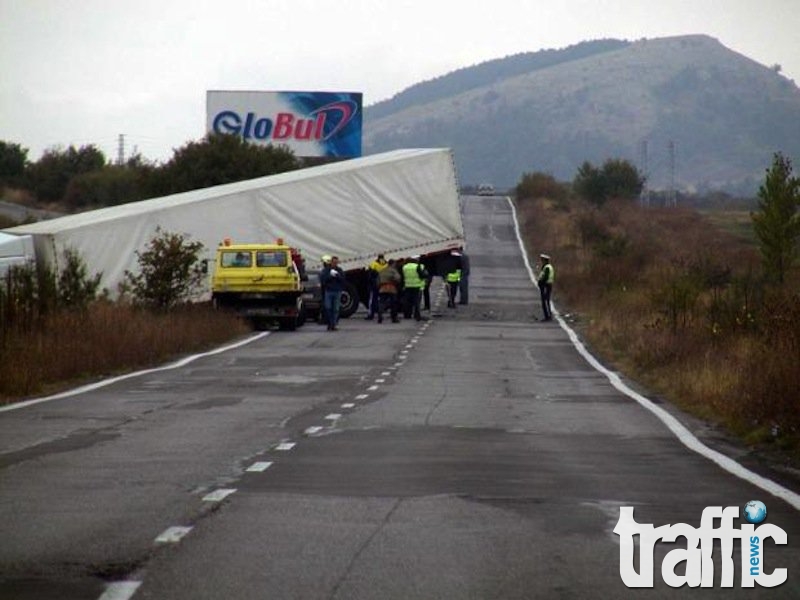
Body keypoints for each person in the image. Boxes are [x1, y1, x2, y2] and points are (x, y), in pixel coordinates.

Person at [320, 255, 345, 330]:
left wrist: (337, 276)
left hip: (337, 291)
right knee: (328, 307)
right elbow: (323, 280)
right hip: (329, 291)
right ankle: (330, 322)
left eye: (336, 262)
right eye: (333, 262)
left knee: (336, 309)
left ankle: (333, 324)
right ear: (331, 262)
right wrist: (330, 276)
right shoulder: (326, 270)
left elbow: (343, 280)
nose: (335, 264)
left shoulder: (339, 270)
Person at [401, 255, 427, 321]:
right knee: (417, 301)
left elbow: (403, 276)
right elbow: (423, 275)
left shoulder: (404, 267)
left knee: (408, 301)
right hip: (417, 286)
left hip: (408, 285)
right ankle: (417, 315)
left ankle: (407, 314)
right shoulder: (419, 266)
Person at [376, 259, 402, 323]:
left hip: (382, 288)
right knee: (393, 304)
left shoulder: (382, 270)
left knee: (382, 302)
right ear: (393, 264)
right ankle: (394, 318)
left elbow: (377, 280)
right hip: (391, 287)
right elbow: (398, 278)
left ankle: (380, 313)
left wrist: (379, 287)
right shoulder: (393, 271)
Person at [365, 253, 388, 320]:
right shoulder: (386, 264)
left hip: (375, 285)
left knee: (372, 300)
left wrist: (369, 283)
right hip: (383, 284)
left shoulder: (374, 264)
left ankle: (371, 315)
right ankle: (380, 314)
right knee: (381, 300)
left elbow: (369, 275)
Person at [537, 253, 555, 321]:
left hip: (546, 285)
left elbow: (545, 277)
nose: (541, 261)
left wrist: (541, 283)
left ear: (545, 260)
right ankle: (548, 315)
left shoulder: (547, 267)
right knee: (545, 300)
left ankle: (548, 316)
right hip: (546, 285)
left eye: (542, 260)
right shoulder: (546, 267)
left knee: (545, 301)